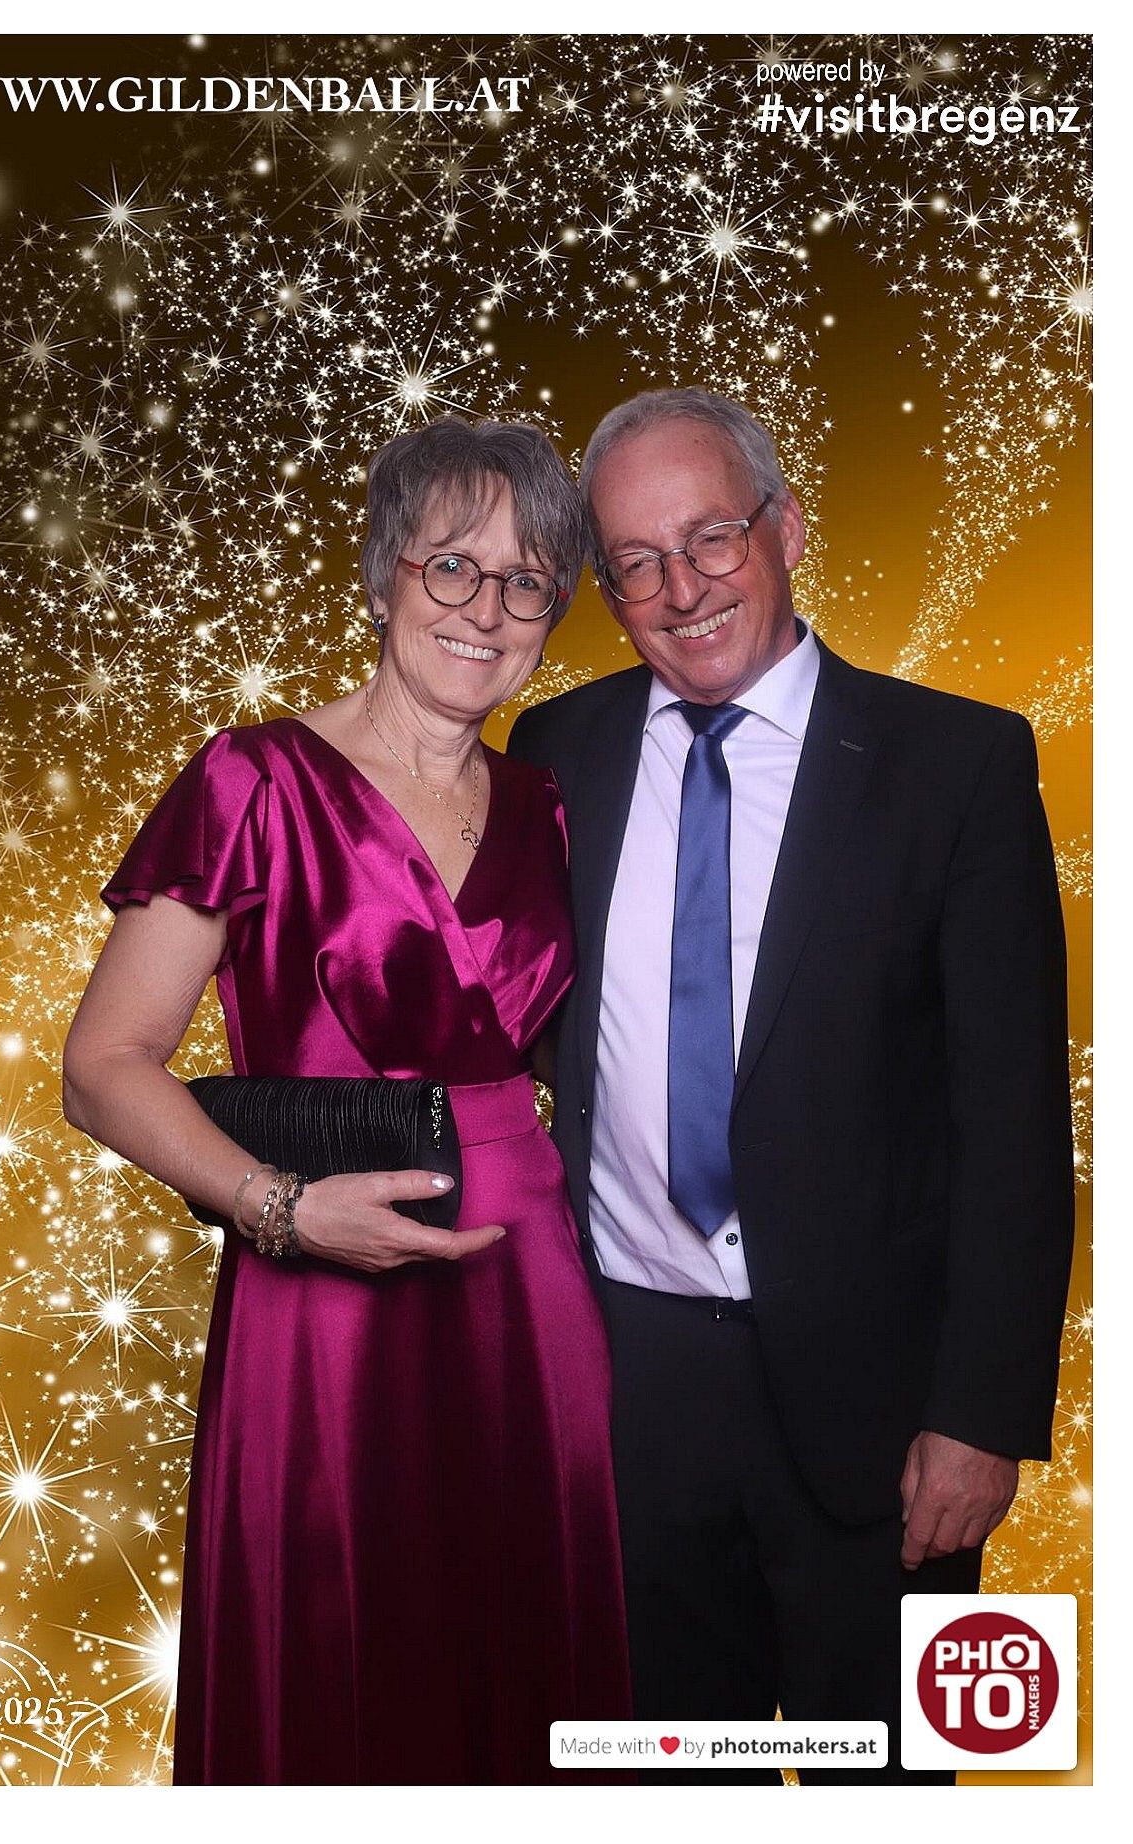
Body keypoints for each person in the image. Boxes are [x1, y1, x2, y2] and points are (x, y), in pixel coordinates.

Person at [507, 386, 1074, 1784]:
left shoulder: (959, 762)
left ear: (786, 528)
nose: (681, 588)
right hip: (630, 1386)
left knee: (886, 1779)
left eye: (710, 538)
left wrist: (984, 1413)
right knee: (653, 1774)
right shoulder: (557, 755)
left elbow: (1013, 1119)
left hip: (883, 1411)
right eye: (635, 563)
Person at [62, 415, 632, 1785]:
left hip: (535, 1294)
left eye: (527, 582)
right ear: (384, 575)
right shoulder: (252, 779)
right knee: (340, 1657)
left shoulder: (550, 803)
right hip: (318, 1294)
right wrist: (281, 1210)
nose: (486, 610)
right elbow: (102, 1066)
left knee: (535, 1654)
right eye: (453, 566)